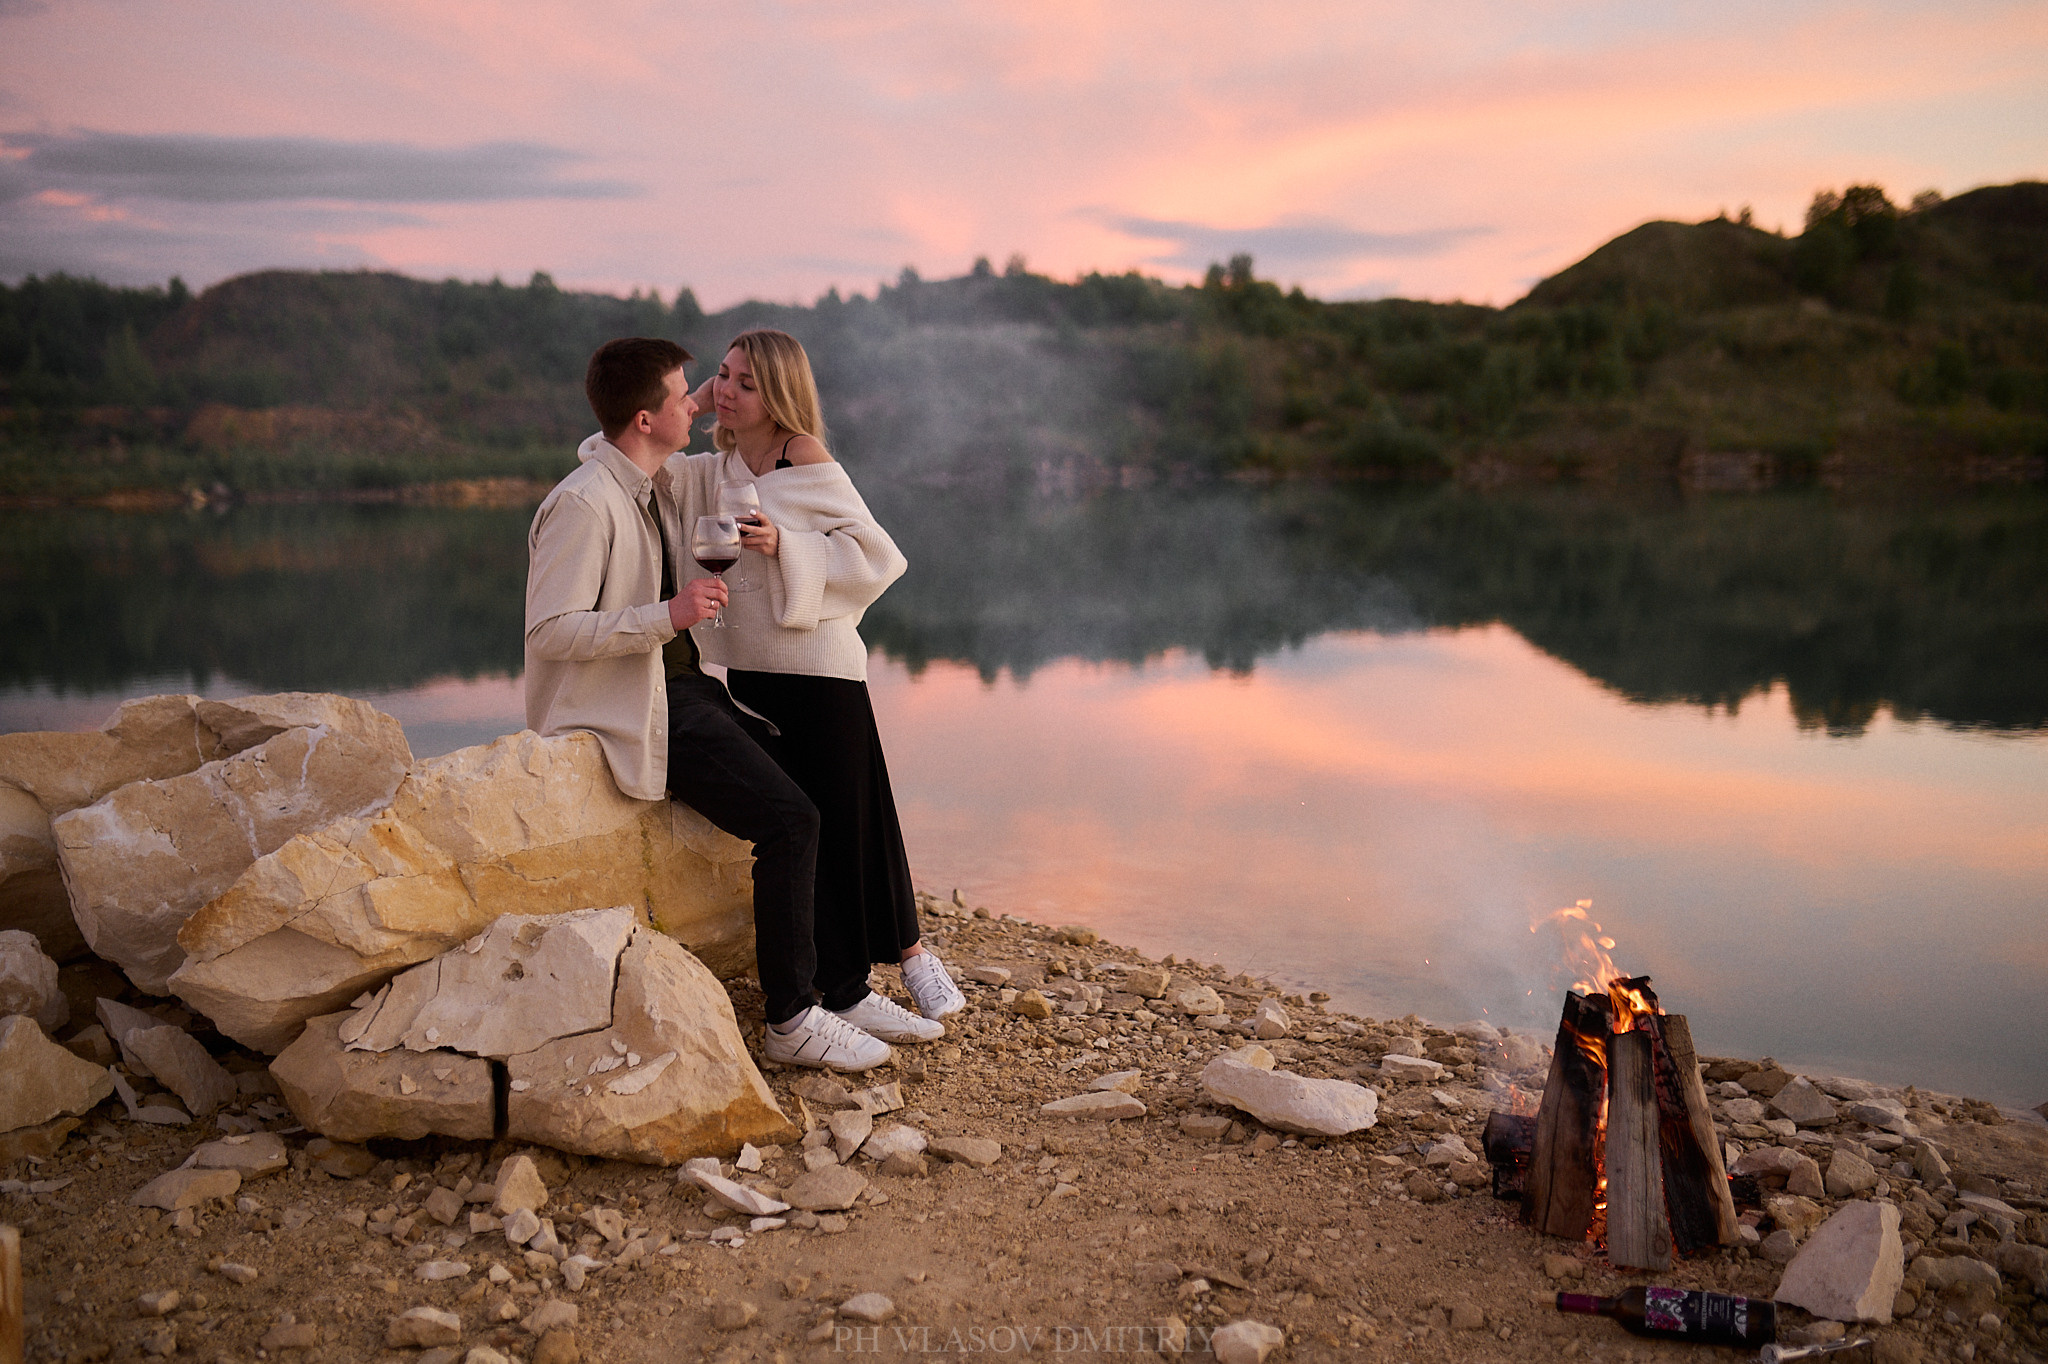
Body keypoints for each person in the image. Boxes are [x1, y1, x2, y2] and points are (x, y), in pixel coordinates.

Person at [525, 336, 902, 1072]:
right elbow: (549, 631)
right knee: (791, 821)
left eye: (715, 388)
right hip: (639, 703)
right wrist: (667, 615)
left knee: (813, 788)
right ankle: (790, 1018)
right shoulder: (584, 504)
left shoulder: (650, 483)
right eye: (686, 395)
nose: (701, 404)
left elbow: (624, 433)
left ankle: (841, 987)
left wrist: (684, 402)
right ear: (645, 418)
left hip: (686, 686)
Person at [674, 327, 968, 1034]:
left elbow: (879, 556)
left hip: (821, 670)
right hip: (750, 675)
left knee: (852, 821)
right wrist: (689, 403)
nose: (729, 391)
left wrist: (788, 545)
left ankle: (886, 971)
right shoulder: (712, 469)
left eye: (747, 383)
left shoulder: (801, 454)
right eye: (722, 375)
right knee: (804, 829)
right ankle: (843, 987)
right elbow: (627, 457)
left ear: (778, 393)